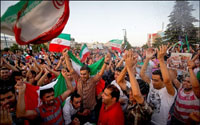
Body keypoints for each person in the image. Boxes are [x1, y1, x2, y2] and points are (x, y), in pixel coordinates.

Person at [63, 49, 111, 123]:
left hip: (91, 110)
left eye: (84, 74)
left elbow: (100, 74)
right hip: (80, 110)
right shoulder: (78, 79)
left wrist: (105, 62)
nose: (82, 76)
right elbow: (71, 69)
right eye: (81, 74)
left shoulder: (92, 80)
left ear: (89, 74)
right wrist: (66, 56)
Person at [140, 45, 177, 125]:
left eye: (156, 80)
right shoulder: (152, 84)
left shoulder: (170, 92)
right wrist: (147, 58)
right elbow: (142, 74)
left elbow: (167, 80)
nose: (152, 82)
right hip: (148, 119)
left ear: (163, 81)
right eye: (152, 79)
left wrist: (160, 59)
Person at [124, 50, 153, 125]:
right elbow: (119, 82)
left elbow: (136, 94)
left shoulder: (146, 108)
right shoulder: (131, 98)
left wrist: (129, 68)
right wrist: (127, 66)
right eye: (130, 90)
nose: (130, 93)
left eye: (132, 92)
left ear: (143, 95)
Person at [170, 60, 200, 124]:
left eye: (188, 82)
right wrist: (170, 64)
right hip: (176, 118)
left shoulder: (196, 94)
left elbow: (196, 87)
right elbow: (173, 78)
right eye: (184, 81)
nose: (185, 83)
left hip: (188, 122)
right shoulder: (181, 87)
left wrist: (190, 69)